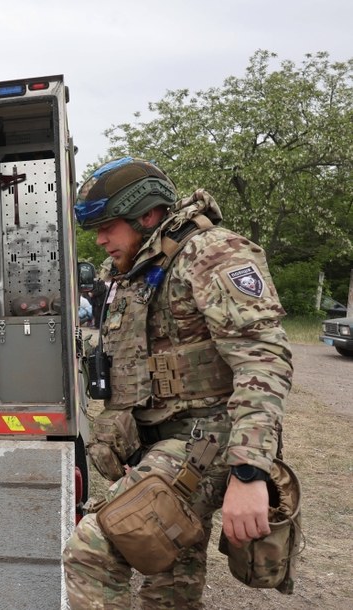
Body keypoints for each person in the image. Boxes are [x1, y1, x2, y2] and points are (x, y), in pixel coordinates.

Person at [63, 157, 293, 608]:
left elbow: (263, 359)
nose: (100, 239)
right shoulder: (138, 267)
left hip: (207, 439)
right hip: (157, 443)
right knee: (169, 580)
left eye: (108, 226)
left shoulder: (211, 253)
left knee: (94, 546)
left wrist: (249, 472)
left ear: (146, 215)